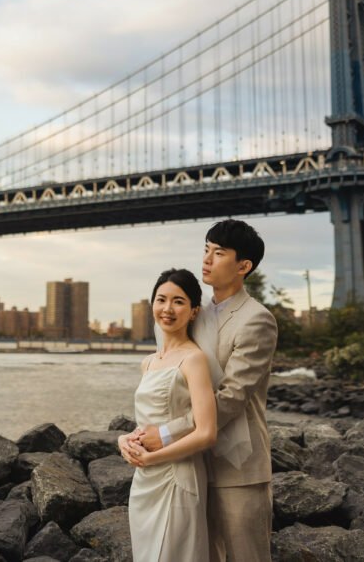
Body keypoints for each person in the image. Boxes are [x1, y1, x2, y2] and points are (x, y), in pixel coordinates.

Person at [121, 219, 278, 562]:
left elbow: (233, 396)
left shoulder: (256, 319)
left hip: (238, 469)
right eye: (205, 250)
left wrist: (166, 434)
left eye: (218, 252)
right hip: (189, 465)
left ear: (243, 266)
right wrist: (131, 437)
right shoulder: (194, 313)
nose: (206, 258)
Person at [126, 268, 217, 562]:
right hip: (144, 481)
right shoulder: (148, 363)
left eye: (178, 301)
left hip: (177, 476)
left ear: (193, 312)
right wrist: (124, 440)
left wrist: (152, 458)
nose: (167, 309)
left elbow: (206, 432)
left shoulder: (194, 359)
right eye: (161, 299)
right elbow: (147, 423)